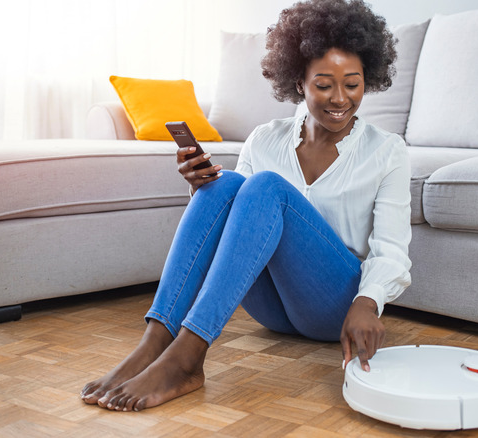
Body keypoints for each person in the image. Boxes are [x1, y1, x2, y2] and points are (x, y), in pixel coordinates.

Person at [80, 0, 411, 412]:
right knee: (226, 186)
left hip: (337, 308)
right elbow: (237, 227)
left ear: (369, 80)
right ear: (298, 83)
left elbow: (393, 251)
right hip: (273, 312)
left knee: (265, 187)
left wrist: (367, 303)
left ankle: (185, 360)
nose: (340, 98)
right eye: (324, 85)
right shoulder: (263, 138)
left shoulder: (388, 152)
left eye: (353, 84)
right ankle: (153, 344)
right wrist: (199, 188)